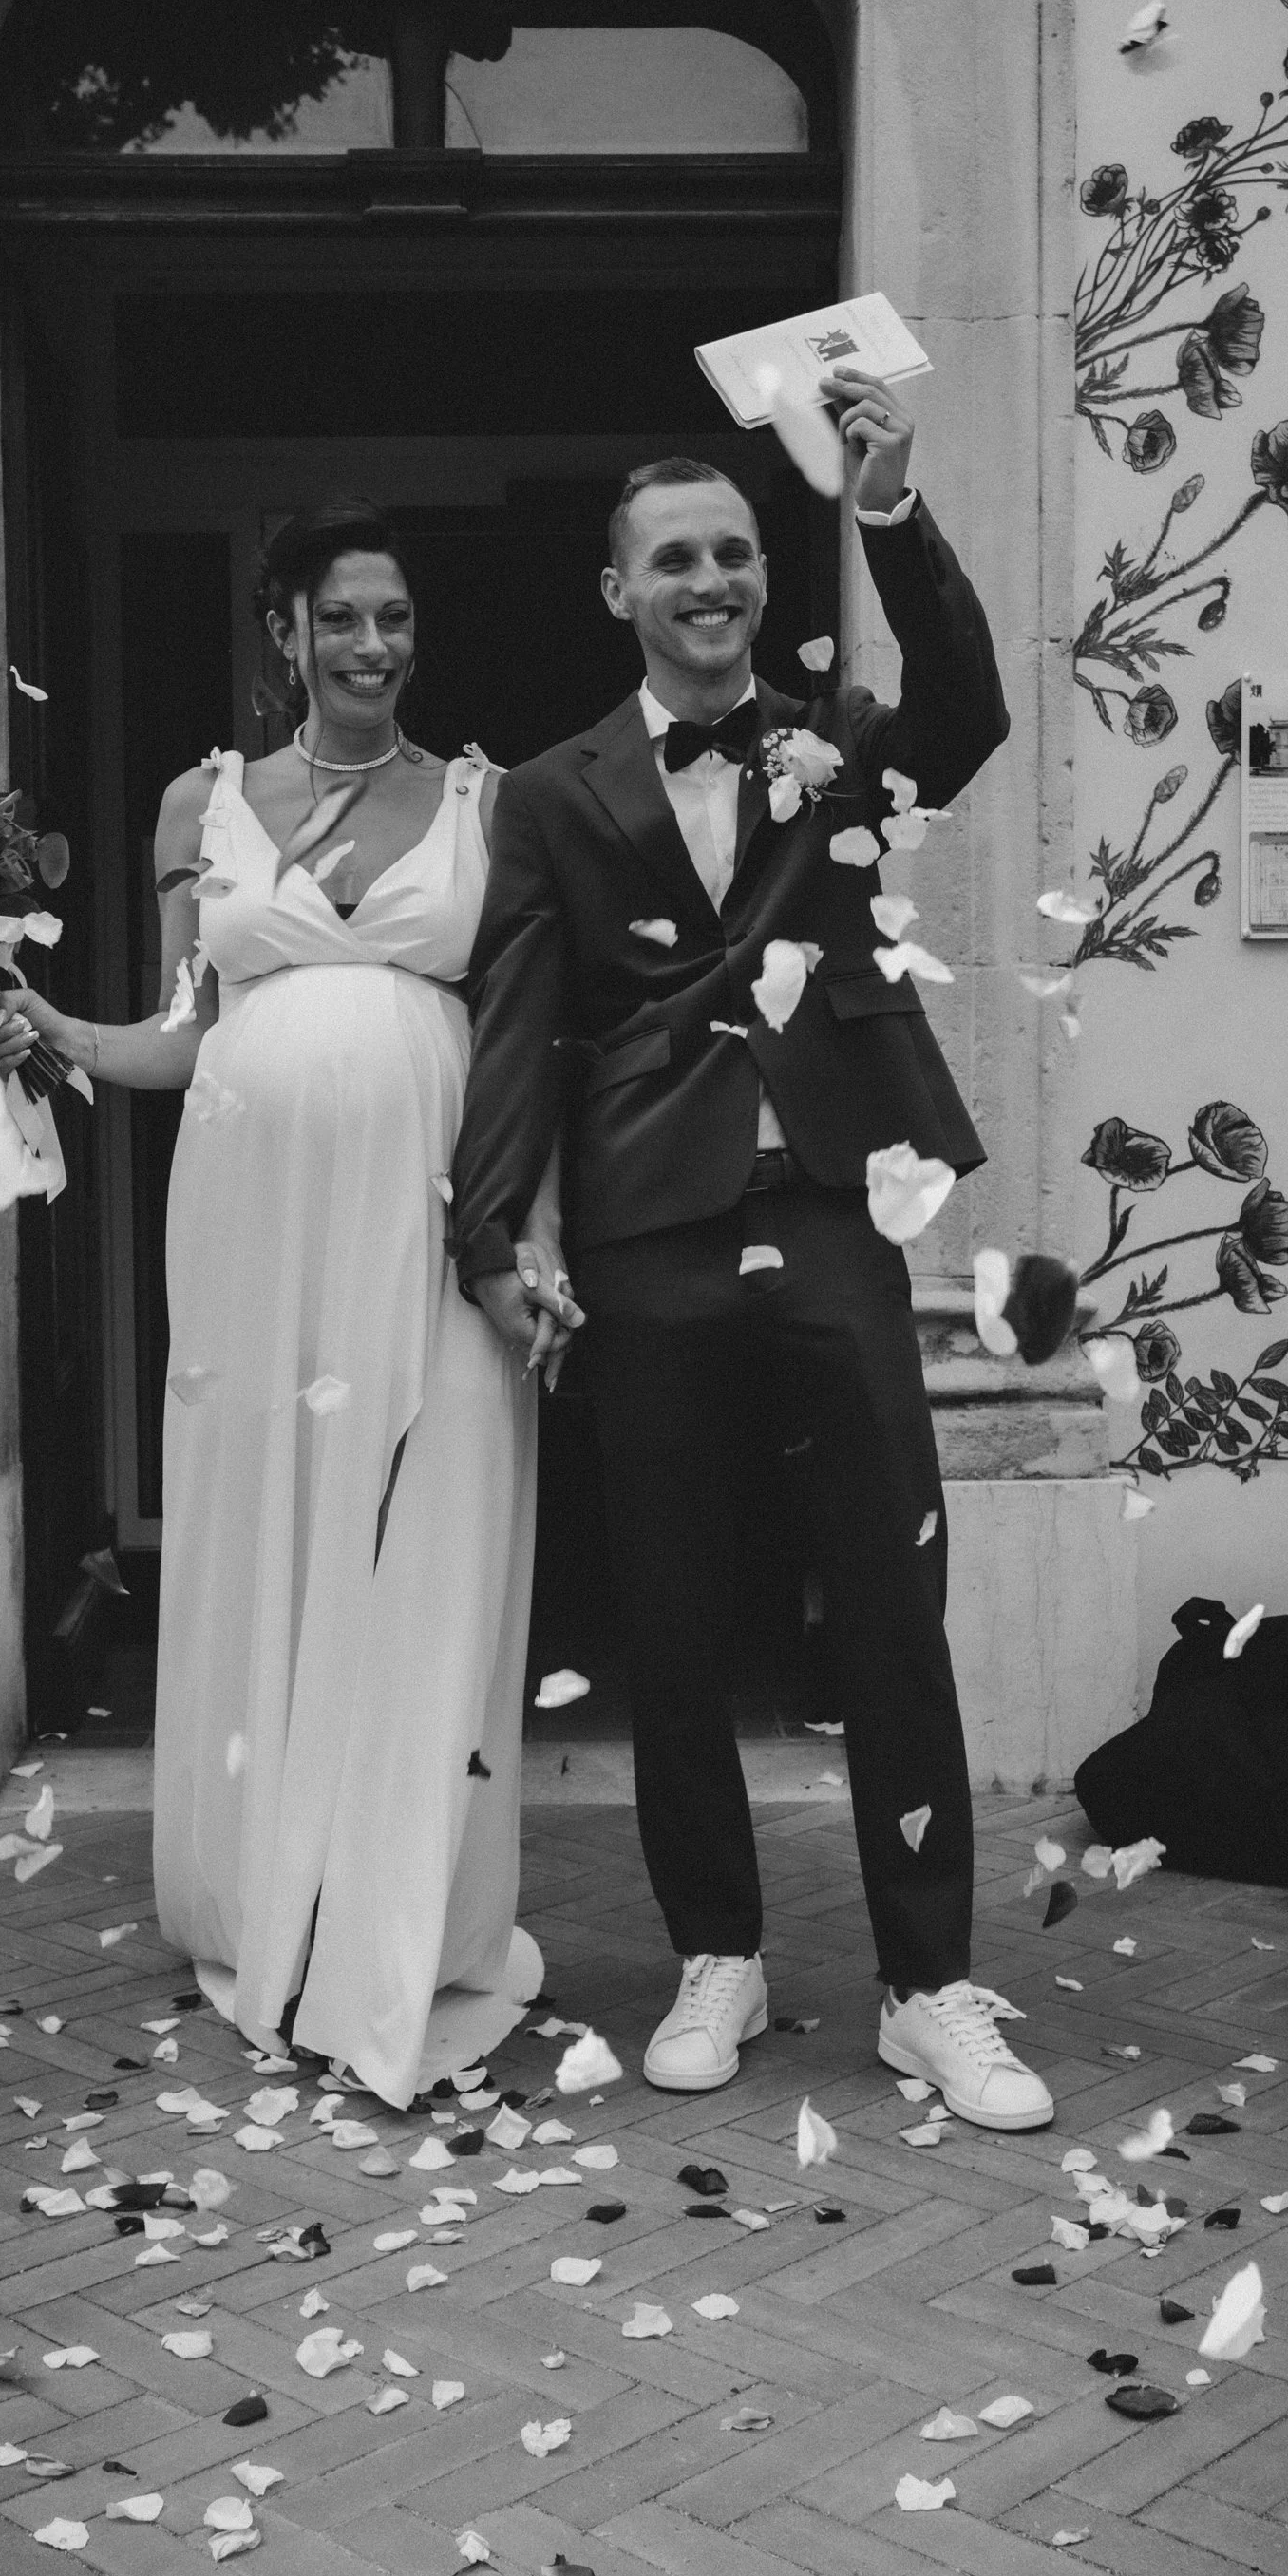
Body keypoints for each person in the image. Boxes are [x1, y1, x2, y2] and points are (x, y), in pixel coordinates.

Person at [449, 368, 1054, 2131]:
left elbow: (971, 703)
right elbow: (518, 1023)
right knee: (673, 1604)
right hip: (650, 1222)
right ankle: (719, 1949)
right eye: (674, 558)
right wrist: (491, 1234)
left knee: (891, 1598)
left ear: (765, 576)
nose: (709, 580)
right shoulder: (549, 794)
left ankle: (928, 1987)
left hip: (834, 1214)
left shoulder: (844, 737)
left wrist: (888, 506)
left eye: (731, 553)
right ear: (617, 589)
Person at [0, 502, 572, 2110]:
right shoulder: (204, 802)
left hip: (436, 1219)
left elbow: (530, 1039)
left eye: (397, 616)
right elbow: (185, 1026)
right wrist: (55, 1031)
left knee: (432, 1519)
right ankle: (275, 1894)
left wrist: (531, 1239)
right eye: (345, 617)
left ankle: (405, 1904)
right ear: (285, 632)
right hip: (253, 1220)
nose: (375, 644)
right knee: (274, 1516)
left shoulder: (489, 801)